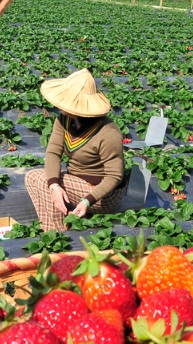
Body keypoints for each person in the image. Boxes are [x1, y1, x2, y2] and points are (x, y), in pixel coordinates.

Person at [25, 69, 126, 232]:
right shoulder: (64, 120)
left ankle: (57, 234)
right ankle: (53, 228)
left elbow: (114, 176)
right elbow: (53, 153)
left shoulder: (108, 133)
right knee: (33, 177)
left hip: (102, 194)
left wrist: (87, 201)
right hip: (76, 181)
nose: (58, 105)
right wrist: (55, 187)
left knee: (42, 180)